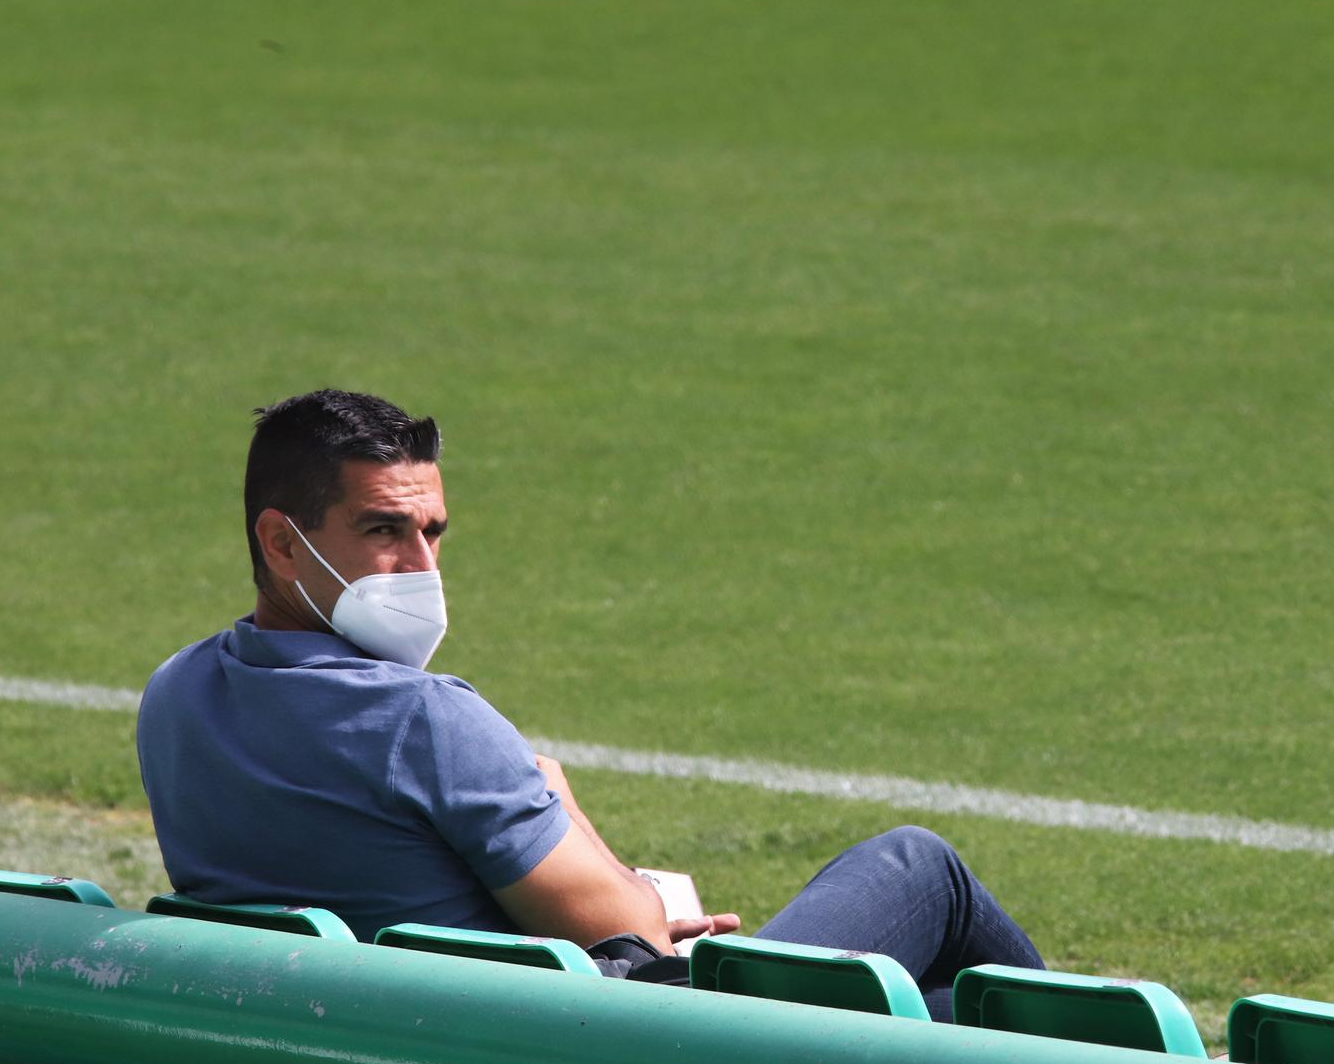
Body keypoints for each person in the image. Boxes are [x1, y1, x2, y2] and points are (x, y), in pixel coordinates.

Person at [138, 389, 1043, 1016]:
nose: (422, 565)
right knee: (918, 870)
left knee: (937, 1013)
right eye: (384, 530)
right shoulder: (426, 722)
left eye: (433, 531)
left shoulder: (174, 701)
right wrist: (563, 806)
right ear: (283, 545)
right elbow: (633, 934)